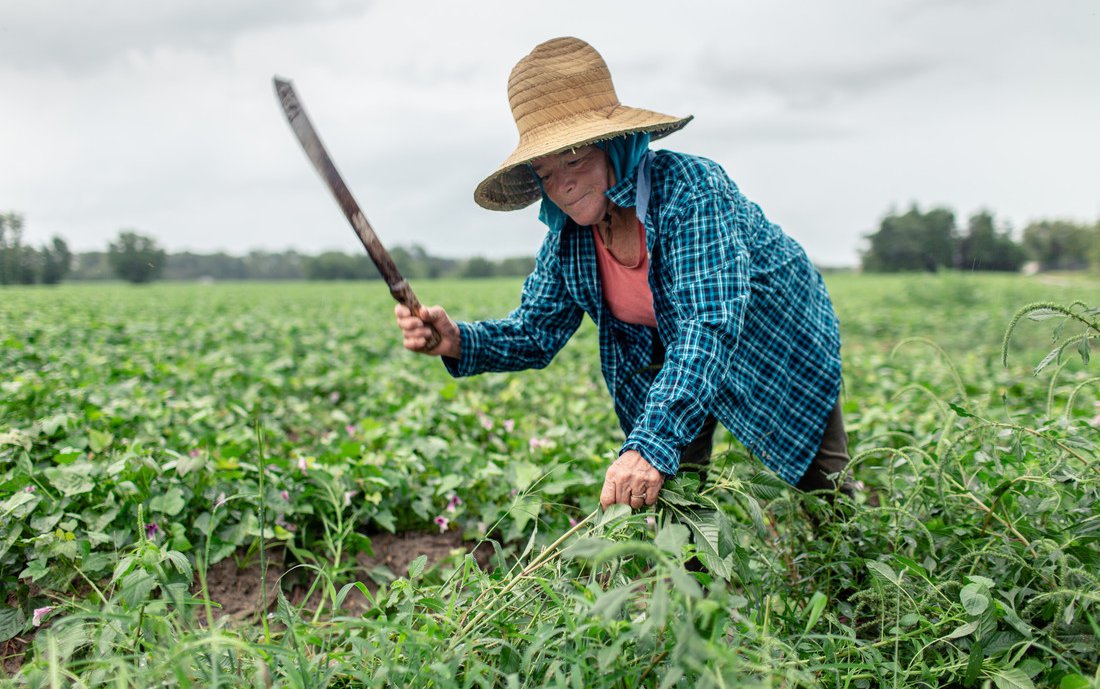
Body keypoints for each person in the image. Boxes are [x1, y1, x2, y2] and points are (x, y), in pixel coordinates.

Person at [395, 36, 850, 512]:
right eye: (546, 173)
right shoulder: (569, 238)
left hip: (774, 340)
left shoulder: (691, 193)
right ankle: (687, 584)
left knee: (826, 491)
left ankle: (854, 579)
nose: (563, 184)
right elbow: (534, 331)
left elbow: (707, 326)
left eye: (574, 159)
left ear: (617, 148)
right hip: (675, 361)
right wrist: (457, 340)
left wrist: (648, 444)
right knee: (675, 499)